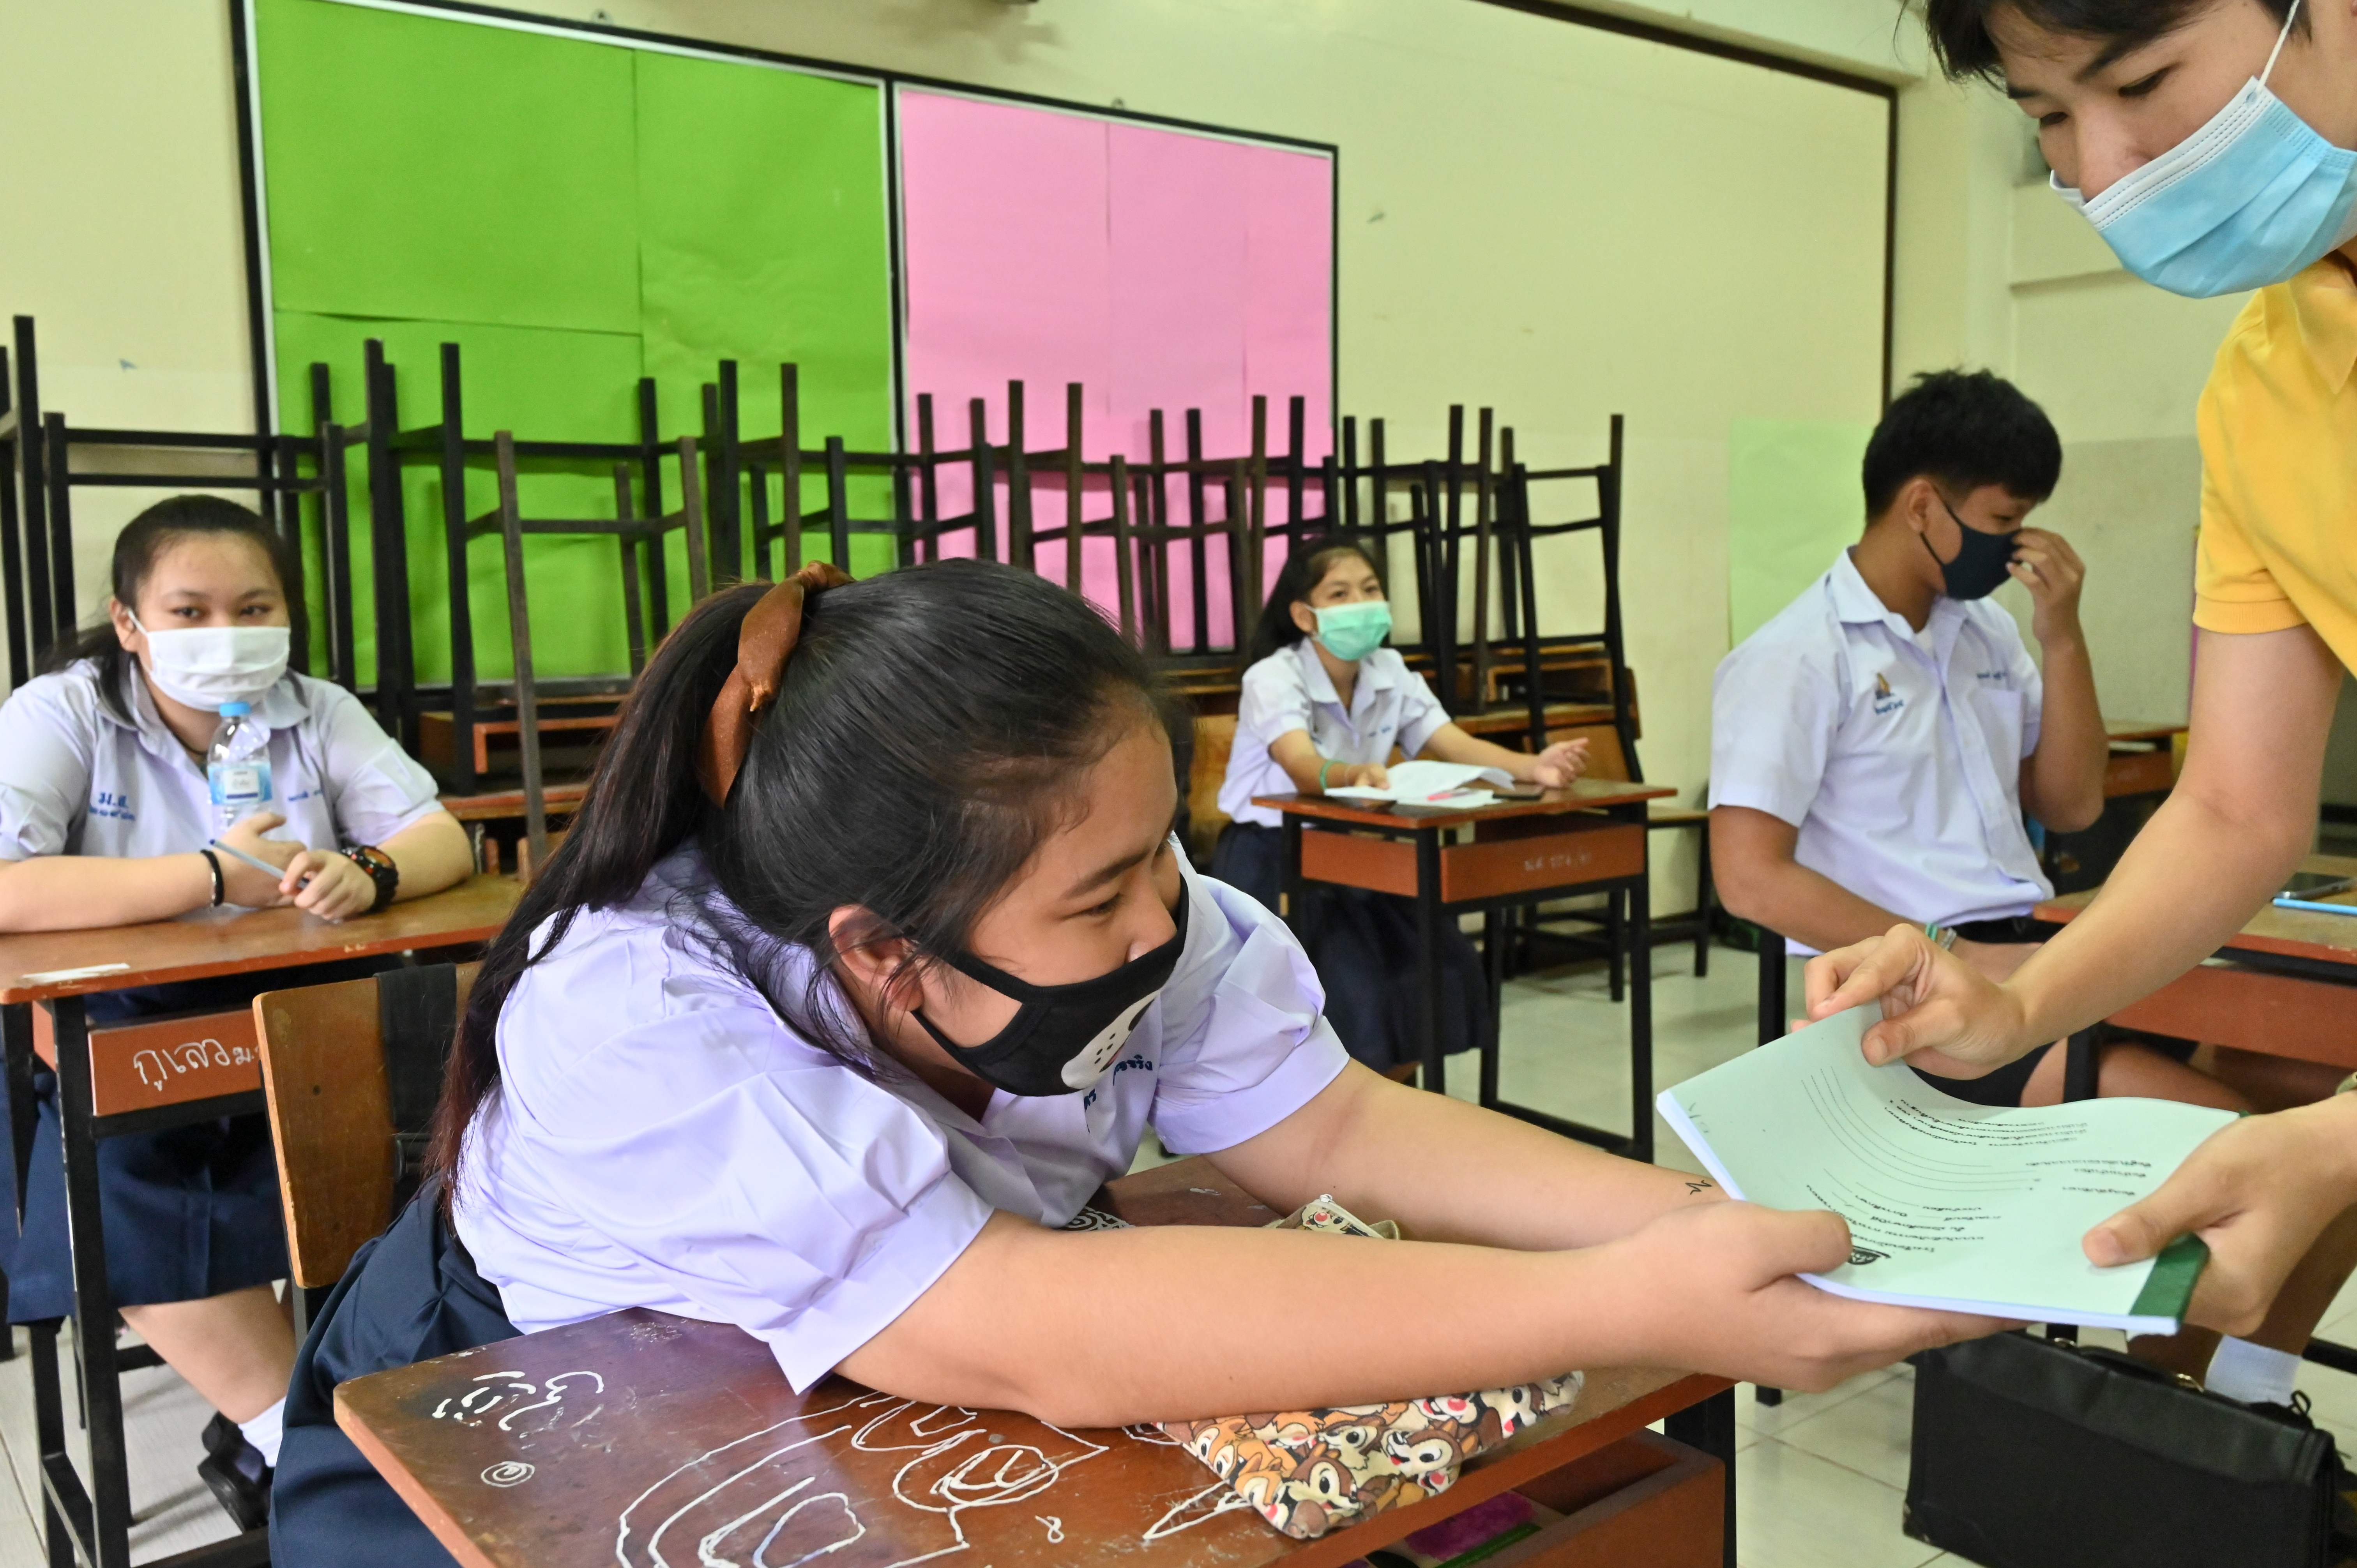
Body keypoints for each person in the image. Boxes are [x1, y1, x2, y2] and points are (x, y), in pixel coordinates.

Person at [273, 561, 1998, 1566]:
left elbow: (1339, 1122)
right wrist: (1640, 1307)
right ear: (882, 951)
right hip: (541, 1431)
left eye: (1164, 848)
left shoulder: (1134, 921)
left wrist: (1701, 1222)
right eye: (1102, 892)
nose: (1164, 915)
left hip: (875, 1405)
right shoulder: (639, 1015)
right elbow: (1035, 1325)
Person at [1811, 0, 2357, 1413]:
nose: (2104, 170)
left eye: (2141, 80)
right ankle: (2226, 1420)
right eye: (2046, 118)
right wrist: (2018, 1003)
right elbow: (2233, 803)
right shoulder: (2261, 382)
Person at [0, 495, 474, 1526]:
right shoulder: (64, 712)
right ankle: (299, 1442)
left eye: (253, 606)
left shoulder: (318, 708)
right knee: (124, 1190)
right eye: (190, 609)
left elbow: (444, 838)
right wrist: (209, 875)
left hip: (298, 1010)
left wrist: (370, 872)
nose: (227, 633)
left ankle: (320, 1429)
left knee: (422, 1152)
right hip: (119, 1019)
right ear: (129, 623)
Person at [1712, 369, 2240, 1112]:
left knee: (2267, 1056)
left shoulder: (1985, 630)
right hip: (1900, 983)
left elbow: (2073, 806)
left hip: (2023, 945)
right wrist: (1952, 949)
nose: (2020, 545)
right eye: (2003, 520)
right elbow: (1748, 879)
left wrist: (2062, 640)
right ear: (1923, 505)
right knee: (2221, 1122)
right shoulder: (1799, 655)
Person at [1210, 537, 1588, 1068]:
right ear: (1305, 615)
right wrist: (1352, 774)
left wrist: (1533, 767)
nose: (1361, 604)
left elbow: (1450, 740)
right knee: (1354, 993)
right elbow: (1299, 763)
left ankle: (1397, 1102)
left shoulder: (1390, 670)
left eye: (1371, 590)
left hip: (1358, 852)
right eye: (1340, 594)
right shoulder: (1273, 676)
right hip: (1276, 857)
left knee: (1441, 969)